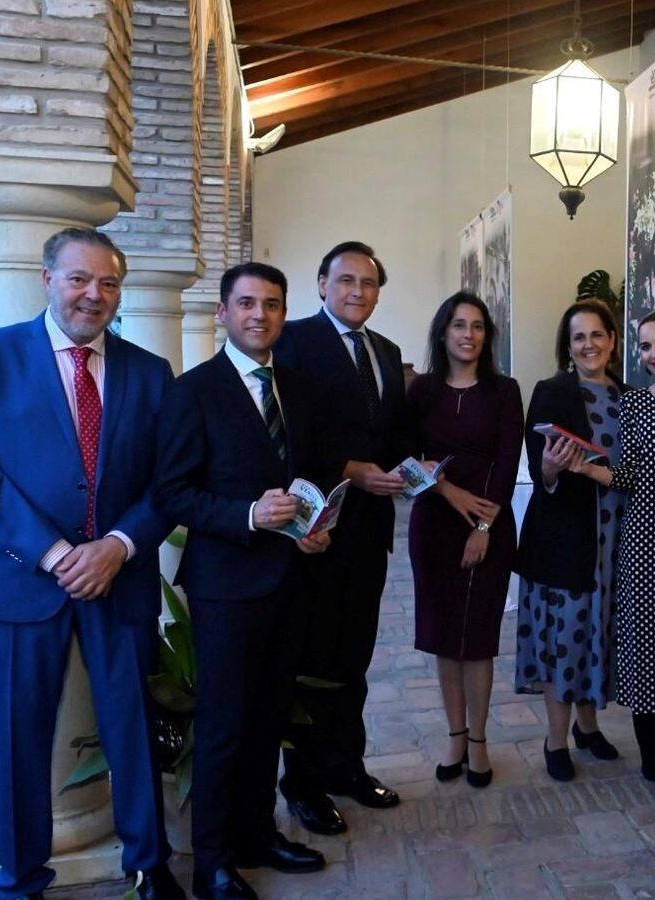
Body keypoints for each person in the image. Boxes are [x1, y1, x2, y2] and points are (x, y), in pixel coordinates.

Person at [0, 228, 183, 900]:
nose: (94, 295)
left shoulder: (148, 372)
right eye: (80, 279)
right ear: (47, 278)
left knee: (133, 726)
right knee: (20, 741)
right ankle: (19, 877)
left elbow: (166, 483)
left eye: (109, 284)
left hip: (119, 576)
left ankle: (149, 862)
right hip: (18, 585)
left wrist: (117, 546)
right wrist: (56, 556)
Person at [153, 262, 334, 900]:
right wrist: (246, 515)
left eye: (273, 305)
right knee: (226, 725)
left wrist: (312, 526)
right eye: (248, 304)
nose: (261, 315)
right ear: (223, 314)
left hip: (291, 580)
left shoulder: (300, 390)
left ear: (285, 314)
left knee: (269, 718)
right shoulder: (192, 391)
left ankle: (259, 835)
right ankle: (213, 863)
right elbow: (174, 493)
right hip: (227, 586)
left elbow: (306, 480)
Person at [273, 241, 414, 834]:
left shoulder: (387, 351)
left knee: (354, 657)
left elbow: (393, 436)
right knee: (309, 662)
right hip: (315, 530)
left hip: (371, 531)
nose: (358, 292)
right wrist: (349, 469)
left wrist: (408, 472)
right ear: (322, 283)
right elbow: (285, 434)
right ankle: (301, 783)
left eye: (370, 283)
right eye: (347, 280)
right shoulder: (292, 341)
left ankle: (346, 767)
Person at [571, 310, 655, 782]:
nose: (654, 354)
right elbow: (627, 474)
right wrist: (589, 469)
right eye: (646, 346)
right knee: (647, 642)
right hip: (646, 538)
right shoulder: (634, 404)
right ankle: (654, 750)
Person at [406, 292, 523, 789]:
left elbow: (508, 460)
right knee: (442, 638)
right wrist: (447, 491)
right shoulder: (422, 391)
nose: (468, 334)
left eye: (477, 326)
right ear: (443, 332)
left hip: (488, 524)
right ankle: (454, 736)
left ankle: (478, 741)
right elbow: (408, 459)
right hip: (433, 522)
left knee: (475, 642)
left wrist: (482, 528)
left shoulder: (504, 390)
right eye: (459, 325)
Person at [514, 299, 625, 781]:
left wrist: (606, 474)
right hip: (566, 537)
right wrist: (552, 469)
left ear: (612, 340)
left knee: (597, 634)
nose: (588, 345)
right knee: (566, 637)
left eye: (597, 335)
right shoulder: (551, 392)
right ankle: (555, 740)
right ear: (568, 346)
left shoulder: (630, 396)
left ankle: (588, 725)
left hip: (617, 537)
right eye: (578, 337)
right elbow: (541, 473)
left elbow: (636, 472)